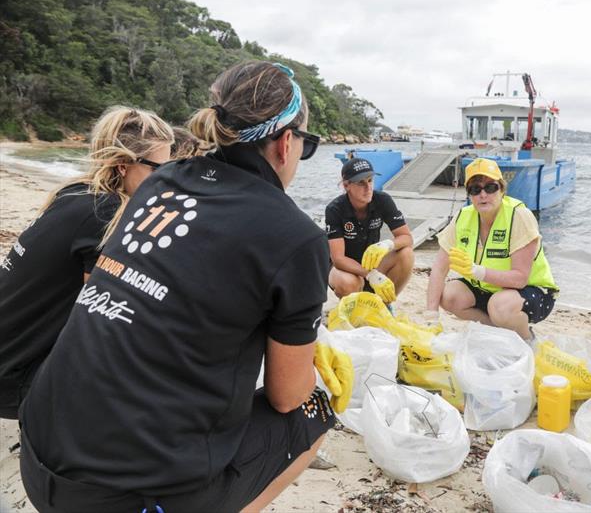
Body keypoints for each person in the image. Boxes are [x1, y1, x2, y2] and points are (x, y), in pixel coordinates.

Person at [19, 61, 353, 512]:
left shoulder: (159, 182)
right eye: (305, 146)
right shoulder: (295, 237)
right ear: (286, 142)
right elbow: (286, 394)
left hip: (38, 455)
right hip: (120, 498)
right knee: (314, 407)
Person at [0, 105, 174, 419]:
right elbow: (97, 326)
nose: (168, 181)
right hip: (11, 381)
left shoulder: (75, 192)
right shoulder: (106, 216)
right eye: (159, 170)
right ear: (123, 165)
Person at [425, 158, 558, 339]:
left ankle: (528, 339)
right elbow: (439, 269)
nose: (483, 195)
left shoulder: (518, 215)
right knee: (450, 295)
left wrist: (476, 271)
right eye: (475, 189)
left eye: (490, 187)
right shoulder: (463, 217)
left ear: (502, 189)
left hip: (532, 291)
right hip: (489, 290)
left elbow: (520, 279)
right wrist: (431, 316)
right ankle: (499, 333)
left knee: (499, 306)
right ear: (469, 195)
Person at [326, 157, 414, 304]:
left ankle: (383, 304)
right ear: (346, 185)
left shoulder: (382, 200)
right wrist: (371, 275)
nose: (368, 188)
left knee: (406, 254)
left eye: (370, 180)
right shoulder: (334, 209)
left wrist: (387, 244)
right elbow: (338, 259)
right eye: (361, 182)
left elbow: (407, 238)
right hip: (345, 268)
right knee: (349, 283)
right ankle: (353, 307)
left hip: (371, 262)